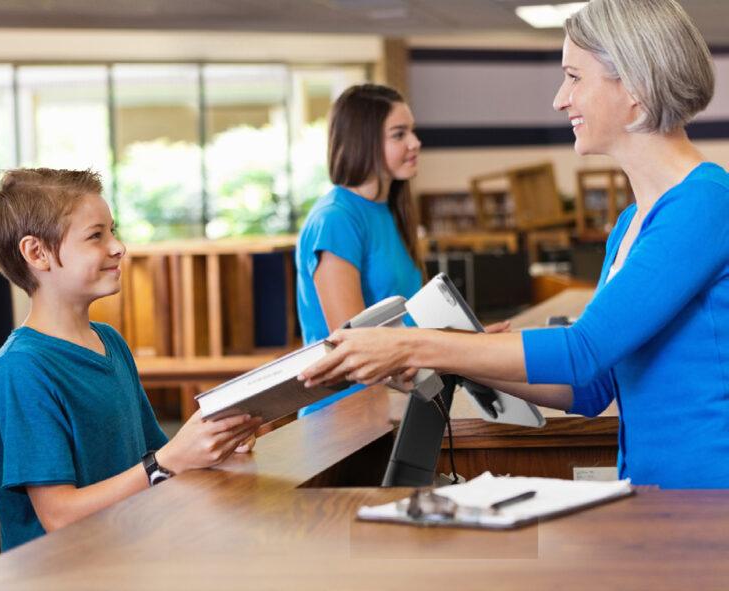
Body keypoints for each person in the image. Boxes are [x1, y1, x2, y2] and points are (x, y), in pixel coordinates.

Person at [300, 0, 729, 488]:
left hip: (711, 498)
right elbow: (591, 385)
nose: (560, 99)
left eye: (574, 77)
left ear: (634, 86)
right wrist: (452, 352)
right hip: (658, 496)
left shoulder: (706, 203)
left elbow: (582, 351)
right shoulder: (632, 223)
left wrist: (412, 343)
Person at [0, 169, 262, 551]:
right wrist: (167, 462)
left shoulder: (110, 342)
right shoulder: (22, 368)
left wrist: (210, 449)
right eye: (96, 236)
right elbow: (59, 515)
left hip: (130, 556)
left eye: (113, 231)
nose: (118, 247)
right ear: (37, 253)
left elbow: (152, 460)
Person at [295, 84, 424, 414]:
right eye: (399, 134)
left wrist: (464, 340)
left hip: (390, 401)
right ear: (363, 141)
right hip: (342, 414)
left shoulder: (391, 210)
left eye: (412, 131)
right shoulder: (336, 219)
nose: (415, 143)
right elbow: (353, 345)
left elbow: (406, 322)